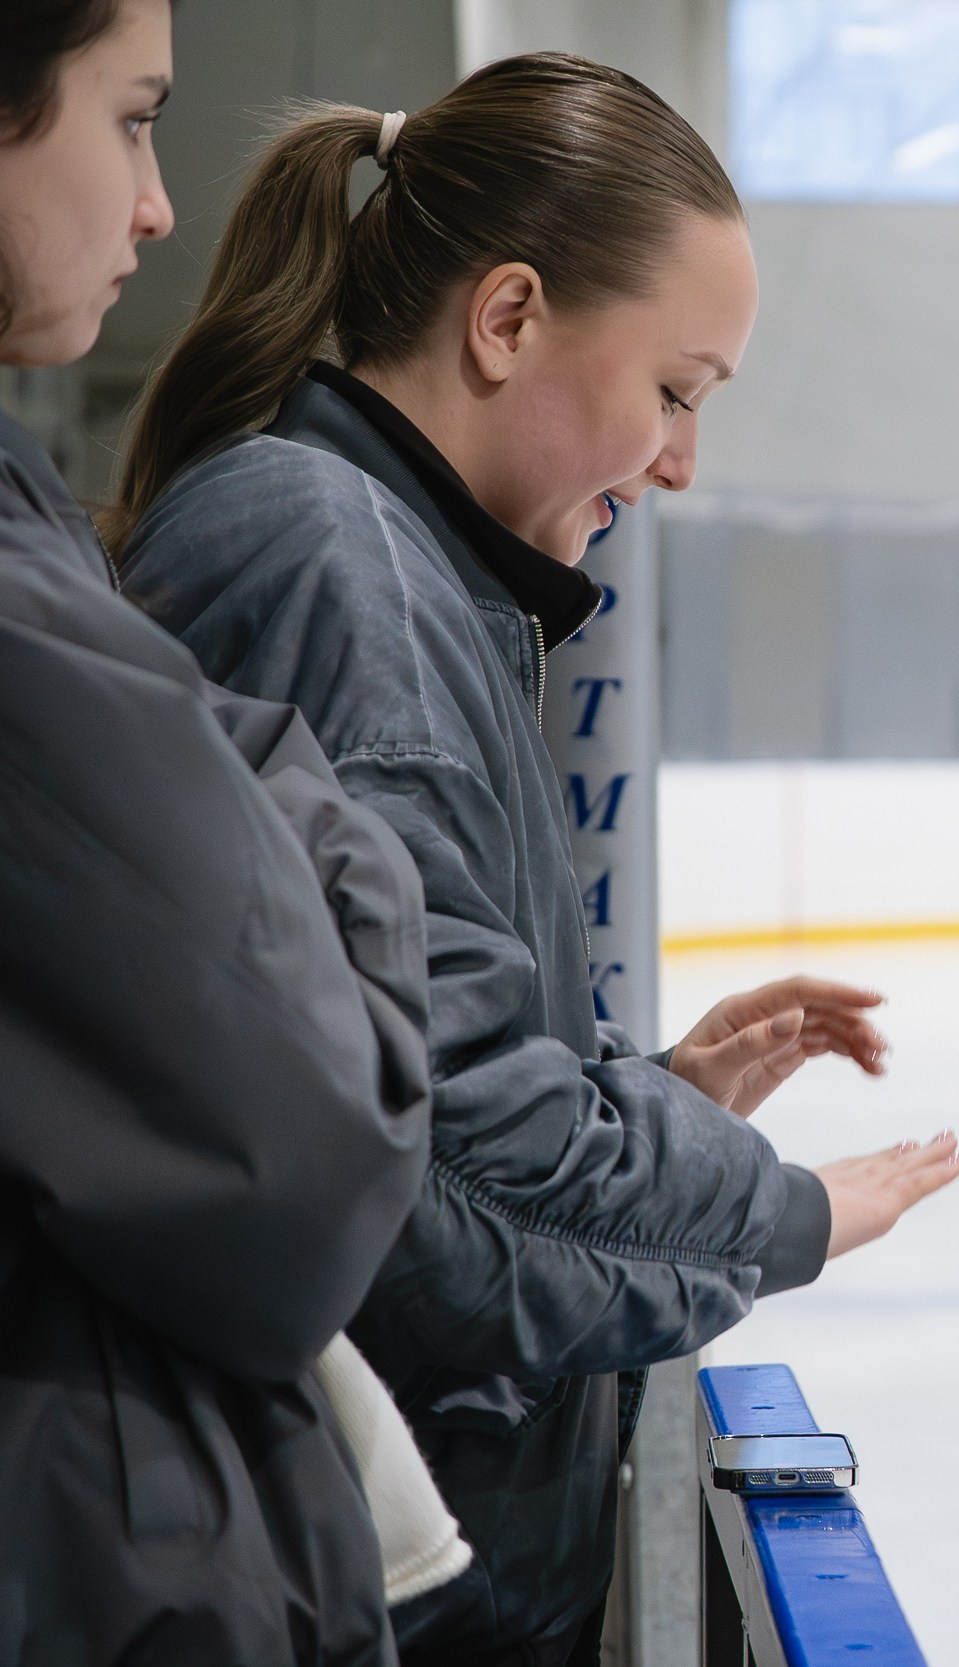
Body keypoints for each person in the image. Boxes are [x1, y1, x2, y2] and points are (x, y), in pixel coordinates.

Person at [110, 54, 959, 1665]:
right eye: (679, 390)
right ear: (506, 321)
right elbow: (455, 1179)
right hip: (386, 1579)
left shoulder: (378, 558)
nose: (680, 462)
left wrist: (645, 1092)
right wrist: (772, 1210)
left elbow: (416, 1070)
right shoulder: (344, 574)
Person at [0, 1, 438, 1659]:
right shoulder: (319, 546)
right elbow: (323, 1148)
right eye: (129, 119)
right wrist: (347, 857)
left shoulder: (34, 526)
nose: (159, 201)